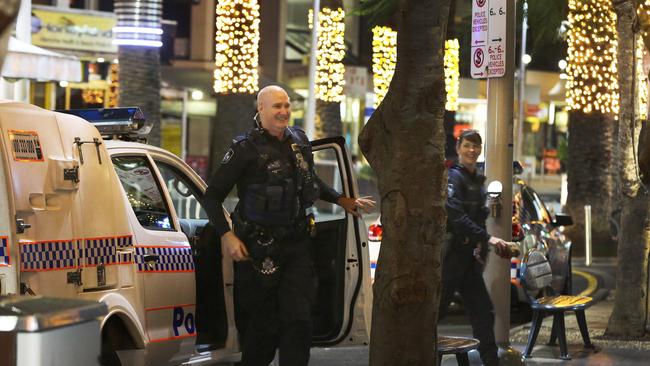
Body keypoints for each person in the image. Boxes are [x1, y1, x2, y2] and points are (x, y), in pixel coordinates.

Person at [203, 85, 374, 366]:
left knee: (299, 321)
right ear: (260, 109)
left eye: (286, 105)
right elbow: (212, 197)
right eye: (276, 106)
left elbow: (309, 182)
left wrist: (341, 199)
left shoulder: (299, 141)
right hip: (258, 249)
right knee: (263, 327)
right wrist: (227, 236)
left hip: (296, 244)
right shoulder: (244, 148)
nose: (283, 112)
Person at [440, 129, 509, 366]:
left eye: (476, 146)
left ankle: (491, 361)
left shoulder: (476, 178)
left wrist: (482, 246)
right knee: (434, 313)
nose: (472, 150)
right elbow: (456, 217)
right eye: (467, 145)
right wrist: (488, 239)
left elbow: (479, 216)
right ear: (458, 147)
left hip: (468, 259)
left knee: (482, 312)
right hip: (450, 258)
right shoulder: (454, 177)